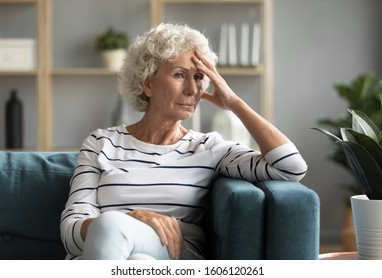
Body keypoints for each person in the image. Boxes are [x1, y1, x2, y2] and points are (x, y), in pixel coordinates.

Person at [60, 23, 307, 260]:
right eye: (179, 74)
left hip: (175, 256)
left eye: (199, 77)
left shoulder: (208, 148)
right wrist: (132, 219)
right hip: (108, 254)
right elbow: (71, 230)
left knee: (113, 226)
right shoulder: (101, 143)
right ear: (147, 83)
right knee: (134, 258)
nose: (192, 89)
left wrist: (234, 103)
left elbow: (290, 166)